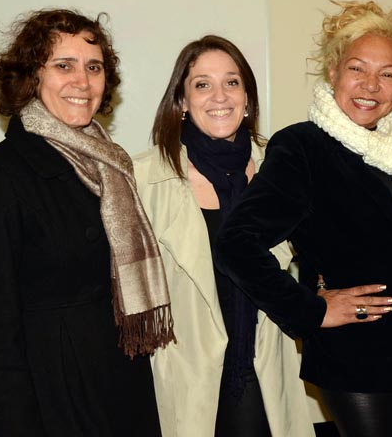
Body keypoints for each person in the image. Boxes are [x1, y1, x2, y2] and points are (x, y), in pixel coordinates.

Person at [214, 0, 392, 437]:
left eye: (387, 74)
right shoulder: (302, 147)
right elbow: (236, 242)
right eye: (357, 68)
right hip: (353, 353)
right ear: (334, 70)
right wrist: (310, 310)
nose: (371, 85)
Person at [0, 9, 173, 436]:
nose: (83, 82)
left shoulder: (111, 166)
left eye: (94, 67)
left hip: (122, 384)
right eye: (64, 66)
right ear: (31, 77)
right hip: (52, 398)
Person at [133, 35, 314, 437]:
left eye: (232, 82)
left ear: (247, 99)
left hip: (263, 365)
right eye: (203, 84)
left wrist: (319, 302)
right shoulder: (143, 178)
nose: (220, 96)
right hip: (187, 373)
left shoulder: (279, 168)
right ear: (182, 101)